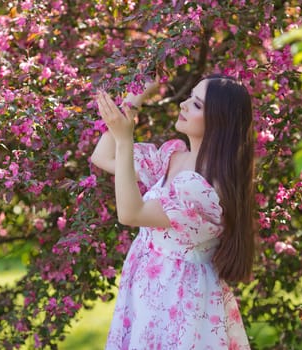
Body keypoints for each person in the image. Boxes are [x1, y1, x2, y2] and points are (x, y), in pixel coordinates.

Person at [92, 74, 255, 349]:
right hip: (150, 289)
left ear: (220, 121)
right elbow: (103, 157)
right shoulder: (173, 158)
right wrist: (133, 100)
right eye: (190, 97)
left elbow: (131, 214)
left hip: (177, 298)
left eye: (197, 105)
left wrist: (124, 138)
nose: (184, 105)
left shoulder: (201, 189)